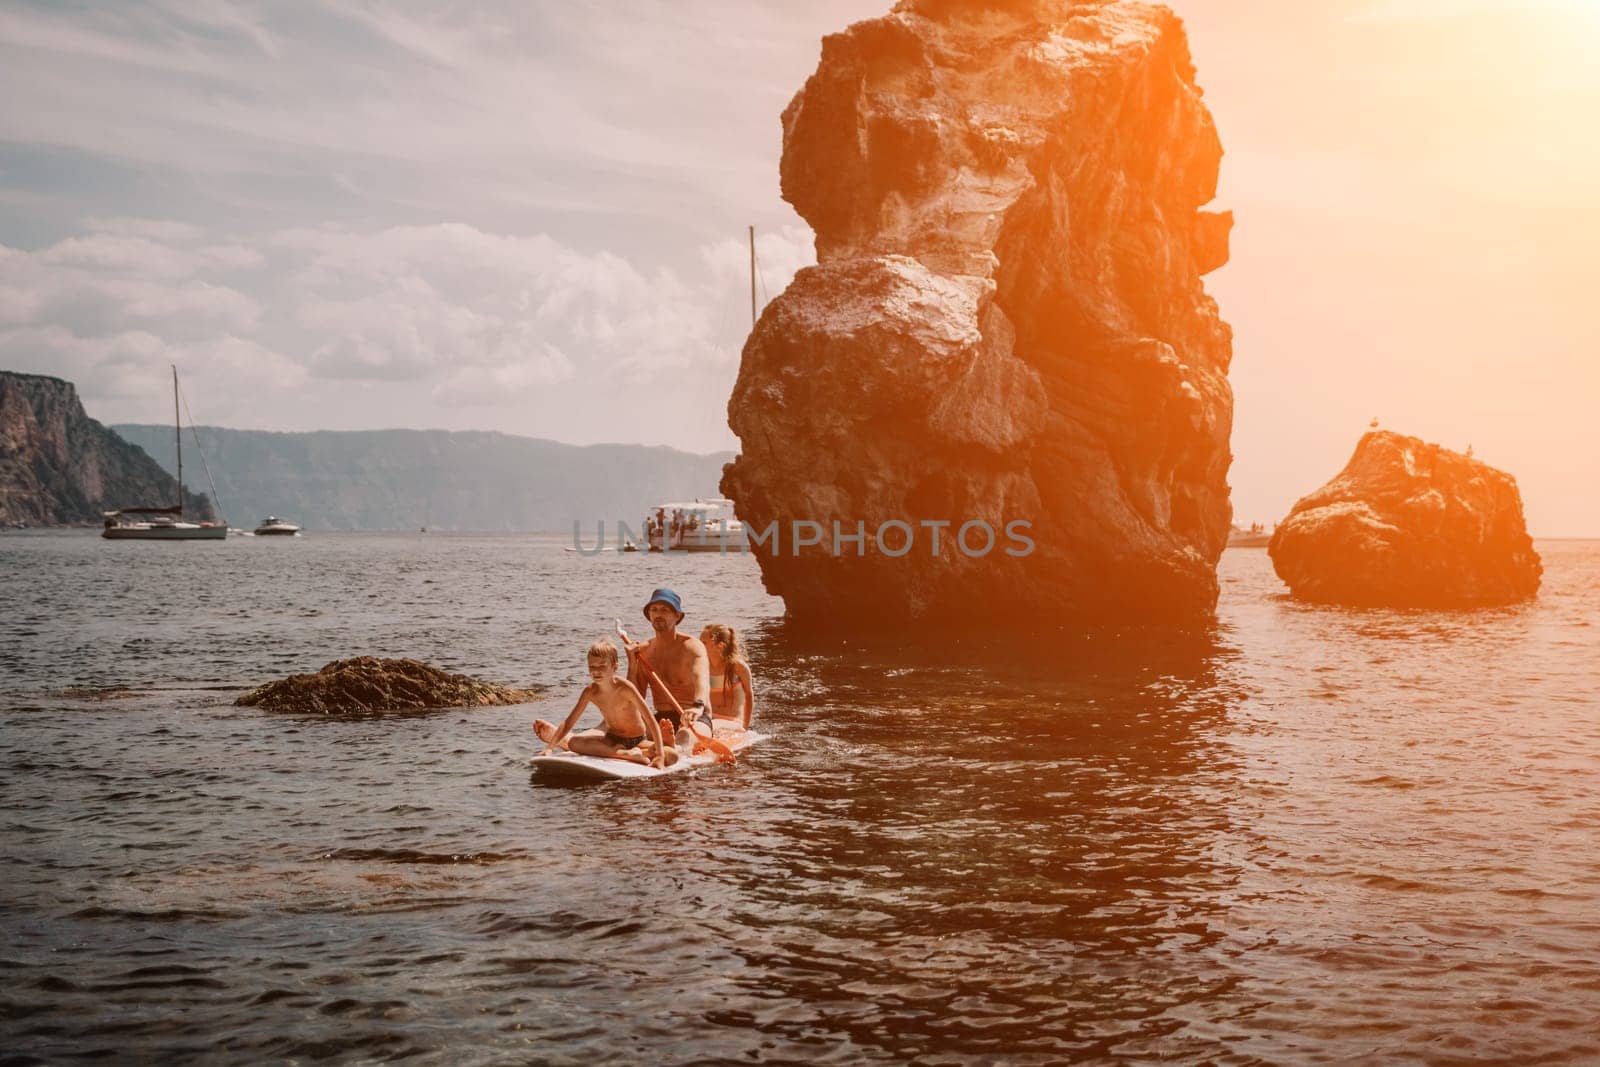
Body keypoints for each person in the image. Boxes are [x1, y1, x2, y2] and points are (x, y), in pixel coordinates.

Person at [534, 639, 670, 767]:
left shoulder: (626, 688)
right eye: (592, 666)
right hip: (611, 739)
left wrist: (660, 755)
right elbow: (569, 722)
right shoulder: (590, 691)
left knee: (671, 754)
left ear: (614, 666)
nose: (596, 671)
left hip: (637, 740)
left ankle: (639, 752)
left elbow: (652, 722)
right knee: (573, 743)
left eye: (602, 666)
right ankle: (625, 755)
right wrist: (549, 749)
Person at [617, 587, 713, 753]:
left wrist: (697, 706)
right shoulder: (644, 651)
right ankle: (661, 747)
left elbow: (702, 681)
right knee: (625, 732)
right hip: (661, 718)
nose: (658, 614)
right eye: (654, 610)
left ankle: (671, 749)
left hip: (694, 716)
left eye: (665, 610)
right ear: (649, 616)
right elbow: (634, 697)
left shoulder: (692, 647)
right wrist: (632, 664)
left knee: (684, 735)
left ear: (677, 616)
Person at [701, 623, 754, 731]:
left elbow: (749, 695)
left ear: (720, 646)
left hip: (732, 721)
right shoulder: (701, 666)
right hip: (708, 719)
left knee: (710, 726)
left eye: (704, 642)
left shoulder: (738, 667)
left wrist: (745, 726)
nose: (698, 645)